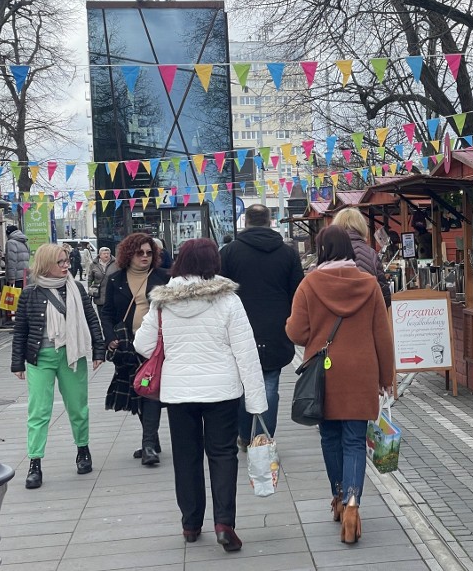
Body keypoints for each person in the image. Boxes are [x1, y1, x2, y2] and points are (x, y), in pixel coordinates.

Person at [134, 238, 267, 551]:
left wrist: (175, 355)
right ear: (213, 264)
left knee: (186, 456)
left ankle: (191, 524)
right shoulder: (228, 300)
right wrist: (256, 401)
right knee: (222, 454)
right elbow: (245, 352)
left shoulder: (162, 301)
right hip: (221, 391)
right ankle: (224, 523)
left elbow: (143, 343)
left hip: (179, 392)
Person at [285, 225, 394, 544]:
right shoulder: (369, 283)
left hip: (324, 375)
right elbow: (382, 335)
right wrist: (386, 378)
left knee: (330, 438)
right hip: (361, 372)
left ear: (321, 251)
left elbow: (296, 333)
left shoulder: (309, 284)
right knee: (354, 441)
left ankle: (337, 496)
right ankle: (352, 503)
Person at [10, 243, 105, 489]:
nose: (67, 266)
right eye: (61, 262)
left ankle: (83, 450)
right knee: (38, 411)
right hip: (39, 357)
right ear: (46, 264)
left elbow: (91, 318)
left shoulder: (76, 289)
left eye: (67, 261)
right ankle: (35, 463)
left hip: (71, 355)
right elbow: (20, 329)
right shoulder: (30, 293)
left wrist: (99, 349)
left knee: (77, 407)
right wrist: (16, 362)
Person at [220, 204, 303, 445]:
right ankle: (264, 437)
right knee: (269, 384)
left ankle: (245, 435)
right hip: (277, 328)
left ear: (245, 222)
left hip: (239, 328)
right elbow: (297, 292)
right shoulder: (288, 254)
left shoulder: (229, 252)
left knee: (244, 384)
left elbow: (221, 293)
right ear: (269, 221)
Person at [100, 233, 169, 464]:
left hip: (155, 346)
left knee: (148, 390)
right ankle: (152, 441)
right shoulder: (115, 279)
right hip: (127, 344)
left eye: (150, 253)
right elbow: (107, 312)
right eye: (140, 253)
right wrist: (109, 337)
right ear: (129, 254)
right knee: (138, 391)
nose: (145, 257)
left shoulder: (163, 278)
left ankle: (148, 444)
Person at [332, 207, 391, 307]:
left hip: (336, 316)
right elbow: (384, 296)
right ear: (361, 226)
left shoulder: (329, 253)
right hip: (366, 315)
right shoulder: (371, 253)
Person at [87, 247, 118, 314]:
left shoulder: (116, 264)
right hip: (99, 295)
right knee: (102, 315)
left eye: (108, 253)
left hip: (112, 295)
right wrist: (90, 289)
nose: (106, 255)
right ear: (100, 255)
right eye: (104, 253)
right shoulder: (93, 264)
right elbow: (90, 279)